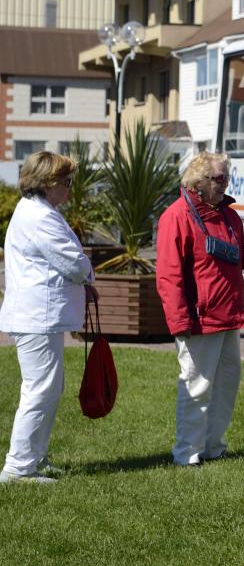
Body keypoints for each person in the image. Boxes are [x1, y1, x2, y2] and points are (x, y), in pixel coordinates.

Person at [155, 152, 244, 467]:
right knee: (197, 386)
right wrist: (180, 321)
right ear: (198, 182)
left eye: (226, 178)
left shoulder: (228, 216)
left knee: (226, 386)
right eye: (219, 178)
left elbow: (233, 258)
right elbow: (169, 276)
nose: (225, 184)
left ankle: (212, 447)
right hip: (199, 320)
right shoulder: (177, 216)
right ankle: (187, 453)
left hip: (227, 317)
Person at [0, 151, 96, 483]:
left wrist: (83, 274)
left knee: (47, 389)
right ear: (48, 183)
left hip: (38, 315)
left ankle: (33, 457)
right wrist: (88, 273)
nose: (70, 189)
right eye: (67, 182)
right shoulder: (40, 217)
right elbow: (72, 262)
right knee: (40, 390)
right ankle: (18, 467)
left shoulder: (41, 212)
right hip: (36, 316)